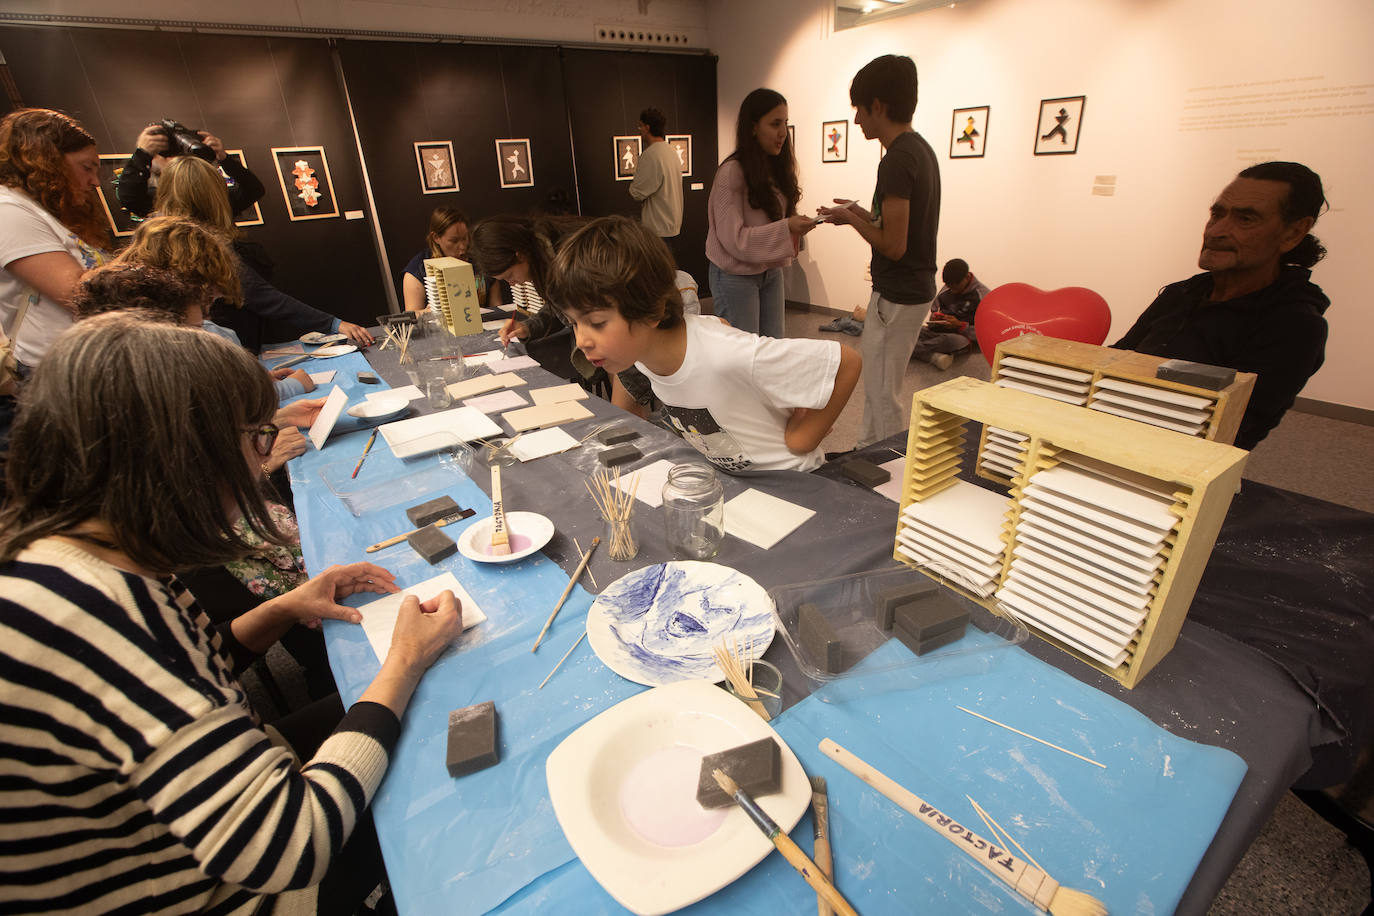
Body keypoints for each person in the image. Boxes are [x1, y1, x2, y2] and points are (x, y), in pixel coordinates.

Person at [0, 313, 462, 914]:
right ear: (184, 461)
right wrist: (402, 662)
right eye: (255, 439)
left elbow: (190, 670)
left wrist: (280, 609)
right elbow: (291, 844)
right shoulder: (87, 617)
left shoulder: (79, 555)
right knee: (442, 749)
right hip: (234, 891)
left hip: (213, 807)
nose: (260, 460)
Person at [547, 215, 861, 473]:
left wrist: (802, 439)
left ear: (653, 310)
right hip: (738, 486)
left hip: (797, 486)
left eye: (597, 323)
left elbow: (846, 361)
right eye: (575, 323)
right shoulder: (640, 356)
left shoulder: (725, 354)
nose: (581, 341)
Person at [1114, 161, 1330, 450]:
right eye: (1217, 214)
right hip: (1114, 429)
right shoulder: (1181, 294)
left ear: (1292, 233)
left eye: (1245, 219)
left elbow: (1234, 428)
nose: (1216, 231)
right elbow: (1119, 358)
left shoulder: (1295, 324)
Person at [820, 54, 941, 447]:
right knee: (876, 385)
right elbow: (895, 227)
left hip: (898, 295)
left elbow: (893, 244)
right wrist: (855, 211)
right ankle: (866, 453)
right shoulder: (919, 150)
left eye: (859, 110)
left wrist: (849, 219)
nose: (856, 121)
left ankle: (888, 469)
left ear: (879, 106)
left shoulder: (897, 161)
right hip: (909, 291)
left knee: (883, 393)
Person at [153, 155, 374, 351]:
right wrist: (334, 324)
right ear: (212, 195)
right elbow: (258, 293)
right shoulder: (197, 242)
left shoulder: (158, 236)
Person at [0, 108, 112, 373]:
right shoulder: (8, 209)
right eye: (87, 168)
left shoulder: (47, 212)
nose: (95, 181)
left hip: (83, 363)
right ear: (46, 161)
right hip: (52, 370)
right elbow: (77, 292)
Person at [705, 88, 816, 337]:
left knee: (772, 349)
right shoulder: (731, 173)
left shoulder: (775, 170)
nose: (782, 133)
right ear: (753, 127)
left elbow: (777, 222)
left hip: (769, 271)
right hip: (735, 274)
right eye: (775, 124)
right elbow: (735, 240)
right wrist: (787, 227)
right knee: (744, 355)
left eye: (785, 124)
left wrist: (794, 226)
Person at [114, 120, 266, 220]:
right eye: (167, 159)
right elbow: (130, 198)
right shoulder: (160, 204)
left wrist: (223, 158)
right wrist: (142, 155)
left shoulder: (214, 201)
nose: (175, 165)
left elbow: (254, 189)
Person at [400, 206, 498, 314]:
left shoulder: (479, 260)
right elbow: (413, 316)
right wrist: (426, 313)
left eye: (465, 238)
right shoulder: (417, 270)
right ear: (436, 238)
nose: (462, 247)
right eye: (453, 240)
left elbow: (497, 307)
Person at [912, 257, 988, 370]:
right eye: (949, 286)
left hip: (963, 337)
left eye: (955, 286)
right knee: (910, 331)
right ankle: (931, 356)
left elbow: (985, 334)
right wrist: (935, 318)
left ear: (967, 277)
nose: (951, 290)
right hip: (938, 331)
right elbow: (935, 310)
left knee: (947, 341)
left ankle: (910, 350)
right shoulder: (948, 287)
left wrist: (960, 325)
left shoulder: (983, 296)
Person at [627, 107, 684, 253]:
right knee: (668, 268)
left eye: (640, 126)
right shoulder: (671, 152)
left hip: (657, 227)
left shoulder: (651, 155)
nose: (639, 130)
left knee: (658, 271)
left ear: (647, 127)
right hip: (672, 224)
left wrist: (634, 187)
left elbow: (637, 192)